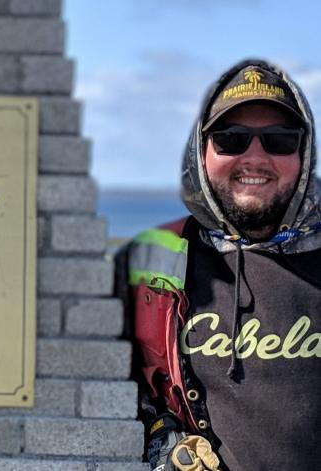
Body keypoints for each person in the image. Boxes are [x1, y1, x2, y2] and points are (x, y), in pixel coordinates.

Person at [119, 59, 319, 470]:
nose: (255, 157)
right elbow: (95, 375)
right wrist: (161, 434)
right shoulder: (148, 258)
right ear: (201, 151)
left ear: (305, 153)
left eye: (280, 140)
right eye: (231, 139)